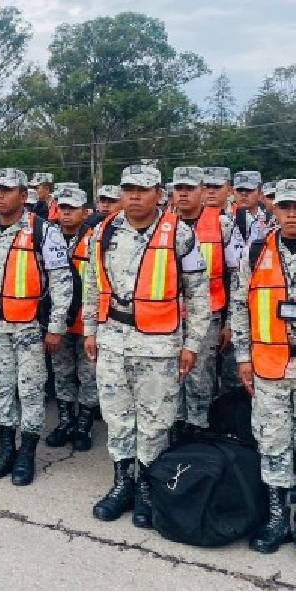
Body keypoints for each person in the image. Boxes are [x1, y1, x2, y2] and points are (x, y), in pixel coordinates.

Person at [83, 164, 210, 527]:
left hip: (159, 346)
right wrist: (90, 330)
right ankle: (123, 483)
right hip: (112, 341)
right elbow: (93, 284)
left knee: (155, 421)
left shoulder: (179, 235)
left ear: (159, 193)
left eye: (143, 189)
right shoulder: (104, 232)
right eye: (128, 189)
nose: (134, 196)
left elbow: (198, 296)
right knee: (118, 418)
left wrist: (192, 345)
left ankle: (148, 489)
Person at [0, 168, 72, 485]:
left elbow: (62, 283)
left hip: (29, 327)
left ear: (23, 196)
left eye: (6, 190)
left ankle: (27, 453)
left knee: (30, 391)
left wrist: (55, 327)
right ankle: (5, 450)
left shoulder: (43, 231)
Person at [233, 179, 296, 554]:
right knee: (273, 442)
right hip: (269, 365)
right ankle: (277, 517)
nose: (293, 214)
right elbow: (240, 308)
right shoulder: (256, 251)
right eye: (286, 206)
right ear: (275, 209)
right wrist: (243, 356)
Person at [172, 167, 243, 440]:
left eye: (190, 188)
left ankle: (199, 428)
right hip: (167, 316)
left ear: (202, 192)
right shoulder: (163, 225)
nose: (184, 194)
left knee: (199, 375)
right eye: (179, 188)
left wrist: (230, 322)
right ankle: (176, 426)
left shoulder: (222, 224)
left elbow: (238, 276)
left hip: (209, 315)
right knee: (172, 375)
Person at [47, 187, 100, 451]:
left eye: (72, 208)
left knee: (88, 375)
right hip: (58, 322)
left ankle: (84, 425)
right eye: (62, 208)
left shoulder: (96, 239)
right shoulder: (48, 237)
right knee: (62, 373)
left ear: (85, 212)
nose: (66, 213)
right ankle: (66, 420)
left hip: (87, 321)